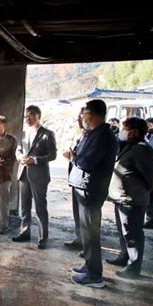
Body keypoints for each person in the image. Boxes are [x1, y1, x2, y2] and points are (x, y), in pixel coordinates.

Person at [70, 99, 118, 288]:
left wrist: (74, 158)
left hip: (92, 189)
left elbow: (87, 162)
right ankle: (89, 265)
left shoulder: (103, 136)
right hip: (84, 188)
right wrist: (77, 157)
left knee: (91, 233)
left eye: (86, 114)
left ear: (94, 115)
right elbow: (81, 154)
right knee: (86, 231)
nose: (83, 117)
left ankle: (95, 275)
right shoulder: (93, 134)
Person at [107, 118, 153, 278]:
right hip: (121, 198)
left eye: (125, 129)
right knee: (124, 231)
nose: (122, 131)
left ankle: (134, 267)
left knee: (132, 234)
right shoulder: (131, 146)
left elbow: (152, 176)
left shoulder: (142, 150)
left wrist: (140, 191)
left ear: (134, 132)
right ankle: (124, 257)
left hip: (132, 199)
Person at [12, 105, 57, 249]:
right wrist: (20, 158)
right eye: (26, 116)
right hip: (24, 173)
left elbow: (53, 155)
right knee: (24, 206)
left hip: (39, 176)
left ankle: (43, 237)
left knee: (40, 207)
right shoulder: (23, 133)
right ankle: (24, 232)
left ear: (39, 116)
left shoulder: (47, 134)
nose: (28, 118)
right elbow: (18, 149)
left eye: (31, 115)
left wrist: (35, 160)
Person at [63, 107, 86, 251]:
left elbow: (88, 160)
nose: (80, 120)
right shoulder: (83, 135)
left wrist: (74, 158)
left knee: (86, 216)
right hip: (76, 179)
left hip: (86, 182)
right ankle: (80, 239)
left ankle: (86, 245)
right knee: (77, 212)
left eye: (83, 117)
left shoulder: (96, 136)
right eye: (79, 117)